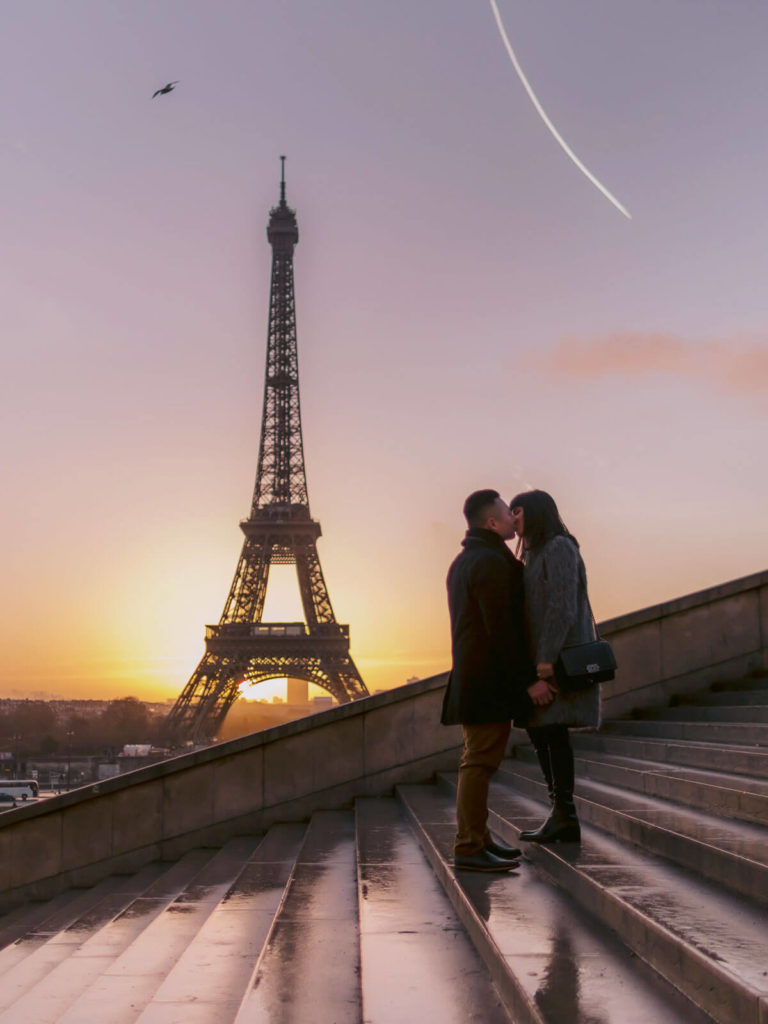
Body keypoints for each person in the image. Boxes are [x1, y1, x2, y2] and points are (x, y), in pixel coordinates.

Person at [441, 489, 554, 871]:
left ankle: (479, 838)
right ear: (492, 522)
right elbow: (500, 630)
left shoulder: (466, 561)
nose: (513, 517)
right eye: (507, 512)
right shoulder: (489, 562)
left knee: (477, 761)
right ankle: (469, 846)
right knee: (478, 763)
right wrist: (529, 680)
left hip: (476, 679)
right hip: (488, 682)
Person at [509, 489, 601, 843]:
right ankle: (561, 812)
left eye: (517, 511)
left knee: (552, 733)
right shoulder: (535, 554)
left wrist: (546, 661)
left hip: (556, 662)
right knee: (543, 732)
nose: (513, 517)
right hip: (542, 661)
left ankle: (565, 814)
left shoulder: (559, 548)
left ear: (534, 513)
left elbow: (561, 606)